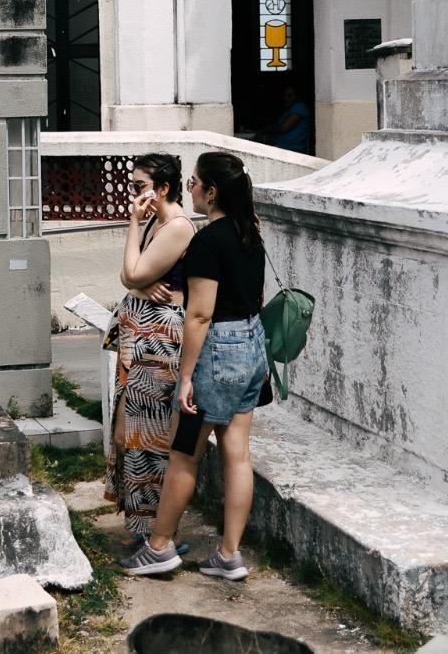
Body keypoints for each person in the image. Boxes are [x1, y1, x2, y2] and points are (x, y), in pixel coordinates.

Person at [121, 151, 268, 581]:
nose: (192, 190)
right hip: (251, 347)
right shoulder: (249, 233)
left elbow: (200, 316)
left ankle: (160, 546)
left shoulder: (207, 241)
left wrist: (185, 376)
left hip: (217, 353)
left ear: (212, 190)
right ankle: (229, 554)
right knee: (237, 454)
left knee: (185, 453)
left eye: (195, 184)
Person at [106, 153, 196, 546]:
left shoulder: (175, 227)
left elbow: (133, 272)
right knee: (129, 432)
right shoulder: (154, 224)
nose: (133, 193)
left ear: (162, 189)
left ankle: (159, 535)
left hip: (159, 342)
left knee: (150, 437)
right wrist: (137, 286)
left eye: (139, 186)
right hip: (139, 337)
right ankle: (143, 528)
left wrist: (131, 226)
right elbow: (130, 277)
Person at [257, 85, 312, 155]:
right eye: (284, 96)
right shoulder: (290, 109)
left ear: (298, 97)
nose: (285, 99)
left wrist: (263, 130)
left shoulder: (300, 108)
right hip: (280, 146)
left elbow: (284, 128)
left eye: (289, 96)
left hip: (290, 149)